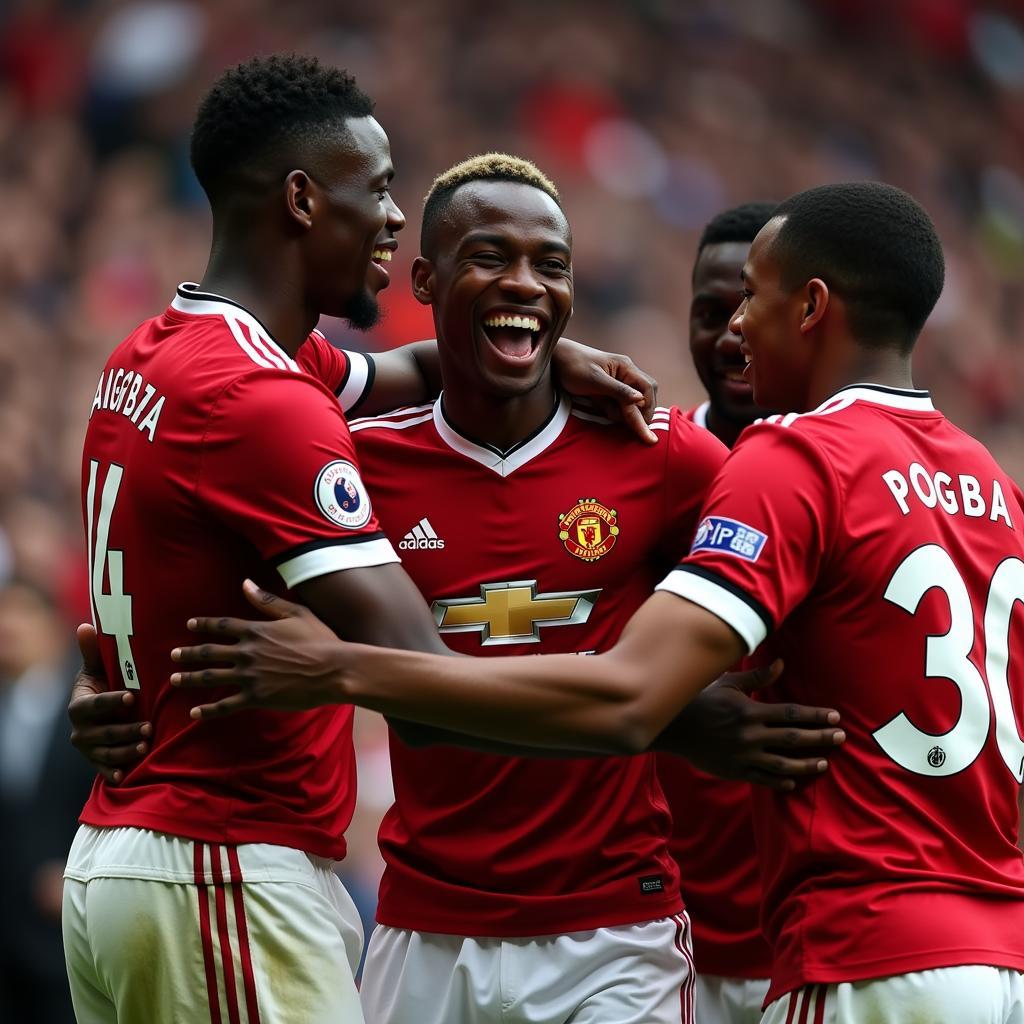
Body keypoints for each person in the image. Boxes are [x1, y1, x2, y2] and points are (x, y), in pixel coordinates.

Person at [174, 182, 1024, 1024]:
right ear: (427, 282)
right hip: (991, 951)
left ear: (810, 306)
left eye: (751, 300)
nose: (733, 330)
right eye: (490, 260)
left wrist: (345, 670)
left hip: (762, 941)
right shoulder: (988, 483)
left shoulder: (725, 458)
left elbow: (628, 694)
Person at [64, 53, 662, 1024]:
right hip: (223, 868)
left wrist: (544, 358)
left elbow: (402, 371)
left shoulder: (163, 351)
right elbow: (425, 683)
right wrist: (641, 703)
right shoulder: (258, 401)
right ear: (302, 200)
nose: (393, 217)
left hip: (141, 857)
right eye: (378, 190)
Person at [351, 152, 720, 1024]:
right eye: (491, 257)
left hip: (616, 933)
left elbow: (790, 587)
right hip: (425, 932)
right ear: (427, 279)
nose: (525, 283)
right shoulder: (361, 466)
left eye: (550, 266)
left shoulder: (659, 455)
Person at [660, 201, 778, 1024]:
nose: (731, 334)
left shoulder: (863, 473)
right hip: (659, 936)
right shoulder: (643, 466)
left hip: (813, 937)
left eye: (750, 308)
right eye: (710, 313)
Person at [0, 581, 95, 1024]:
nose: (7, 627)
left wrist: (78, 873)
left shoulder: (89, 705)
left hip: (66, 923)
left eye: (21, 614)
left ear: (54, 627)